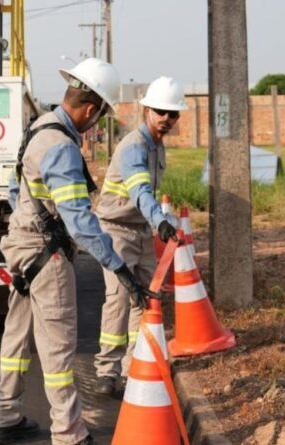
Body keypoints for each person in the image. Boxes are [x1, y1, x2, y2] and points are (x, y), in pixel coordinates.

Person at [0, 58, 155, 445]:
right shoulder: (62, 147)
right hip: (46, 256)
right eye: (98, 116)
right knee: (59, 348)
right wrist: (120, 269)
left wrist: (29, 231)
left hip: (21, 248)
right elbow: (81, 221)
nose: (95, 124)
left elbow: (15, 191)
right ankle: (68, 432)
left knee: (15, 336)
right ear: (93, 108)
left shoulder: (36, 129)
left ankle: (6, 412)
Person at [92, 76, 187, 395]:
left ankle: (134, 367)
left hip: (140, 230)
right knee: (119, 300)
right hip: (116, 230)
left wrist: (157, 223)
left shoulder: (156, 147)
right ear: (147, 110)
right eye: (160, 111)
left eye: (172, 114)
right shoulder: (134, 146)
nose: (166, 119)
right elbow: (141, 191)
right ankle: (107, 371)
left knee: (145, 299)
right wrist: (160, 220)